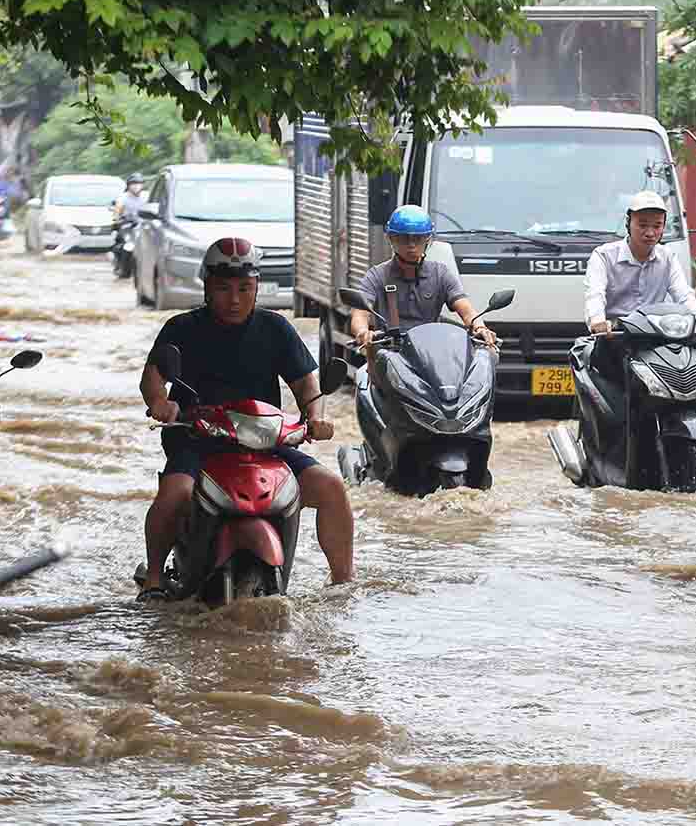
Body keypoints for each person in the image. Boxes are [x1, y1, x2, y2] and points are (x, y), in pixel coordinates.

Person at [137, 238, 355, 602]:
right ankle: (155, 579)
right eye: (223, 289)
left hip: (264, 444)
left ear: (256, 288)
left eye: (244, 288)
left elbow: (306, 385)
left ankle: (343, 583)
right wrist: (160, 403)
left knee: (331, 487)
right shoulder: (182, 328)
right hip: (198, 443)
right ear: (207, 287)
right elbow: (153, 377)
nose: (234, 299)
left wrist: (315, 418)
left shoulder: (275, 329)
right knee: (175, 493)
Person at [583, 190, 696, 374]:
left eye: (657, 226)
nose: (650, 233)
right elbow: (595, 294)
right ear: (628, 223)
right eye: (642, 225)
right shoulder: (603, 256)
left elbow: (683, 295)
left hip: (656, 340)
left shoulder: (668, 257)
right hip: (615, 340)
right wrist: (598, 321)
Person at [348, 204, 498, 364]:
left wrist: (480, 327)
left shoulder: (440, 274)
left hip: (430, 358)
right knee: (366, 385)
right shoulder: (377, 275)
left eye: (417, 239)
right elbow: (360, 314)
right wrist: (363, 332)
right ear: (391, 239)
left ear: (427, 240)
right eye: (404, 238)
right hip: (387, 357)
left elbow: (467, 311)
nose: (411, 245)